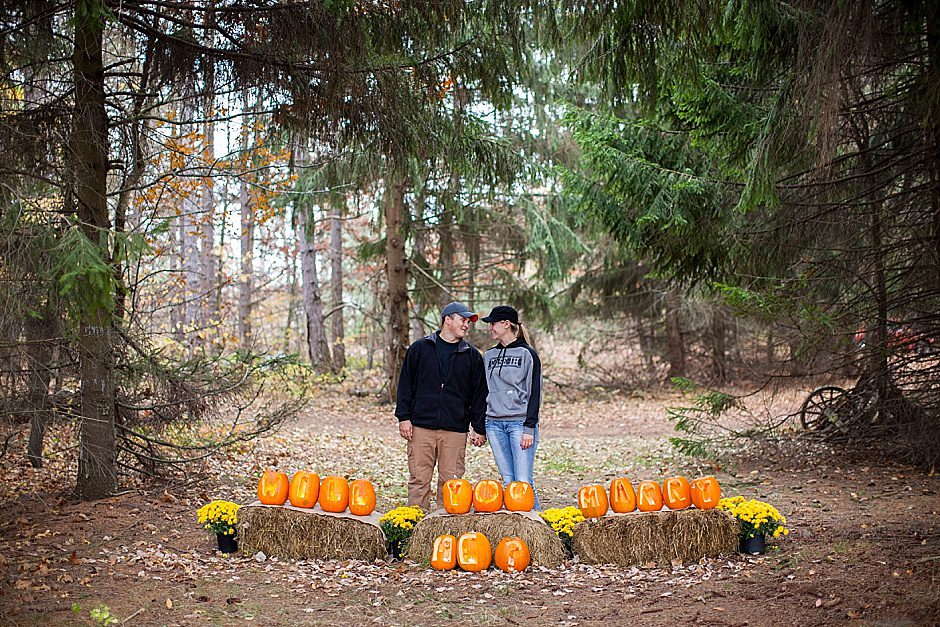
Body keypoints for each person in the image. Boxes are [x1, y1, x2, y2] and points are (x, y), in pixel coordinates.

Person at [395, 302, 487, 510]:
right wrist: (404, 417)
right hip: (421, 427)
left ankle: (443, 529)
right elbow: (405, 384)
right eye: (463, 320)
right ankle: (415, 526)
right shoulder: (420, 348)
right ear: (448, 320)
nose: (466, 326)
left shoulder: (472, 356)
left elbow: (480, 394)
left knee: (451, 484)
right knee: (419, 480)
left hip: (455, 429)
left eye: (468, 322)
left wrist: (478, 427)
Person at [480, 305, 542, 510]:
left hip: (519, 424)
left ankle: (539, 530)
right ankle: (518, 530)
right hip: (494, 425)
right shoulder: (488, 356)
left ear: (506, 324)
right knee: (508, 482)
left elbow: (535, 393)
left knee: (523, 483)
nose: (490, 328)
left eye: (493, 324)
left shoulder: (528, 354)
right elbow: (483, 392)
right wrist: (480, 426)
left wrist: (529, 428)